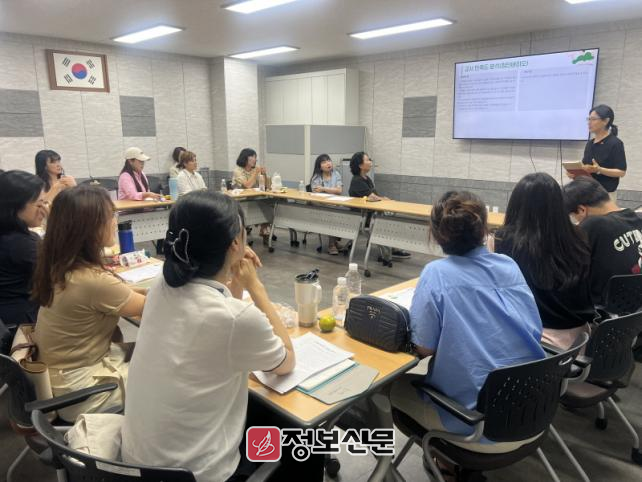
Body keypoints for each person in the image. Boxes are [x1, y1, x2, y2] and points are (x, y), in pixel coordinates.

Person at [122, 191, 295, 482]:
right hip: (197, 474)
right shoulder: (234, 318)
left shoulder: (162, 287)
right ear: (236, 242)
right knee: (291, 432)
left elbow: (228, 324)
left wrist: (234, 275)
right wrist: (256, 287)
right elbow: (286, 361)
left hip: (137, 465)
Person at [390, 191, 545, 454]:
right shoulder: (509, 265)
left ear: (435, 234)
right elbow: (535, 329)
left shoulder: (436, 273)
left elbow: (424, 348)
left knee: (388, 389)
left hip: (476, 426)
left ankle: (437, 460)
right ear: (484, 230)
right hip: (532, 409)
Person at [32, 185, 146, 422]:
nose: (115, 222)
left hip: (63, 378)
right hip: (83, 392)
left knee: (151, 351)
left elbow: (124, 294)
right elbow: (154, 309)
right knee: (174, 374)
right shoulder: (93, 282)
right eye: (110, 216)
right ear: (90, 228)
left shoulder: (62, 267)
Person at [492, 173, 595, 349]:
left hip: (541, 343)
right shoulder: (577, 237)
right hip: (582, 340)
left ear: (516, 204)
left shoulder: (504, 240)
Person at [563, 176, 642, 306]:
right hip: (636, 307)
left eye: (574, 216)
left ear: (582, 210)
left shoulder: (593, 224)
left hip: (606, 309)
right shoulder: (637, 217)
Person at [0, 171, 46, 328]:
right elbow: (62, 276)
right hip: (20, 326)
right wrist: (55, 223)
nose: (44, 210)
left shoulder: (11, 236)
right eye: (39, 204)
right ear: (15, 206)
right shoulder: (19, 244)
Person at [348, 151, 410, 259]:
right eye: (367, 160)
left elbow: (375, 196)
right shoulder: (357, 180)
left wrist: (385, 199)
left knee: (392, 216)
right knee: (390, 221)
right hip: (363, 217)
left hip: (370, 214)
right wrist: (386, 200)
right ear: (360, 165)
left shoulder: (367, 179)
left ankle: (391, 247)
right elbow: (373, 197)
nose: (370, 162)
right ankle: (390, 250)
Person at [571, 105, 626, 201]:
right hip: (587, 191)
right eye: (588, 119)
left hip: (605, 194)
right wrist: (575, 173)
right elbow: (586, 167)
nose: (589, 122)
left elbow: (621, 172)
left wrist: (599, 169)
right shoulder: (590, 143)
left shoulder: (615, 143)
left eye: (593, 119)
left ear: (606, 121)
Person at [232, 148, 270, 244]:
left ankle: (264, 228)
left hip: (255, 199)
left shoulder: (254, 170)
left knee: (268, 202)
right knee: (261, 204)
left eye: (255, 157)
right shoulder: (237, 171)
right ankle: (262, 229)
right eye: (252, 156)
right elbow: (247, 185)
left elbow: (266, 186)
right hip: (241, 201)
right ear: (245, 158)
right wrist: (256, 173)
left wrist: (264, 174)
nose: (255, 159)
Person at [310, 154, 343, 255]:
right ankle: (331, 244)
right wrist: (331, 191)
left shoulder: (336, 174)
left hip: (335, 204)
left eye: (329, 160)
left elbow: (339, 190)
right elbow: (316, 194)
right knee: (332, 215)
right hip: (320, 206)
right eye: (324, 162)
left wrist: (324, 189)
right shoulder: (317, 177)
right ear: (319, 166)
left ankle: (334, 241)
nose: (328, 163)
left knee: (341, 213)